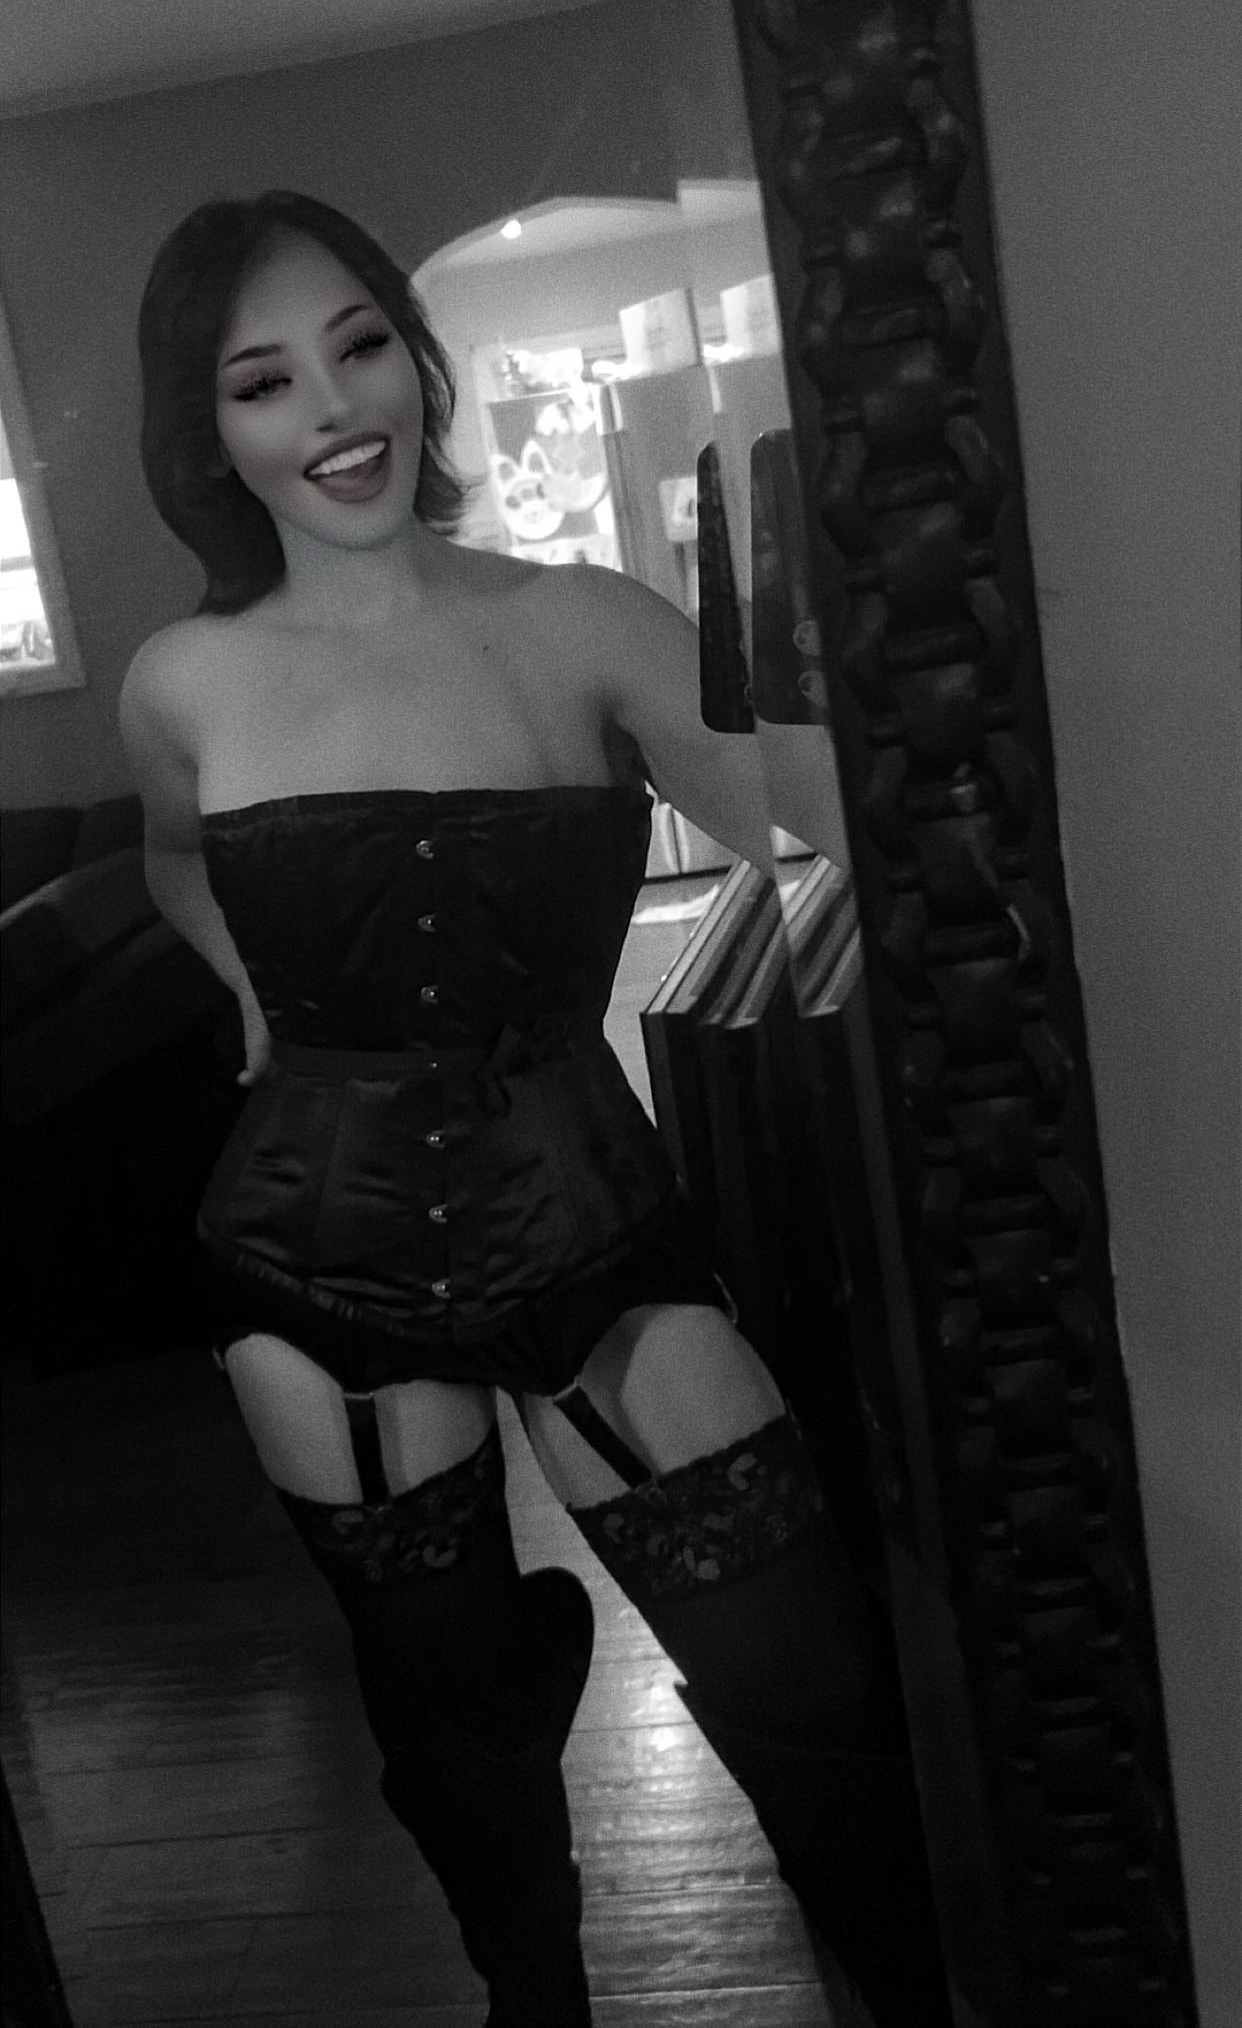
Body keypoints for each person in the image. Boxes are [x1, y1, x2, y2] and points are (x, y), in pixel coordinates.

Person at [119, 190, 951, 2028]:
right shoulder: (185, 680)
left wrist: (832, 657)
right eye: (264, 379)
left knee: (806, 1686)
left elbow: (813, 830)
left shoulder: (579, 621)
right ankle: (535, 2005)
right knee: (456, 1732)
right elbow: (179, 855)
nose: (334, 408)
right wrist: (254, 991)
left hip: (592, 1230)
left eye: (358, 345)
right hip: (307, 1262)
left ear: (413, 358)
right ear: (210, 431)